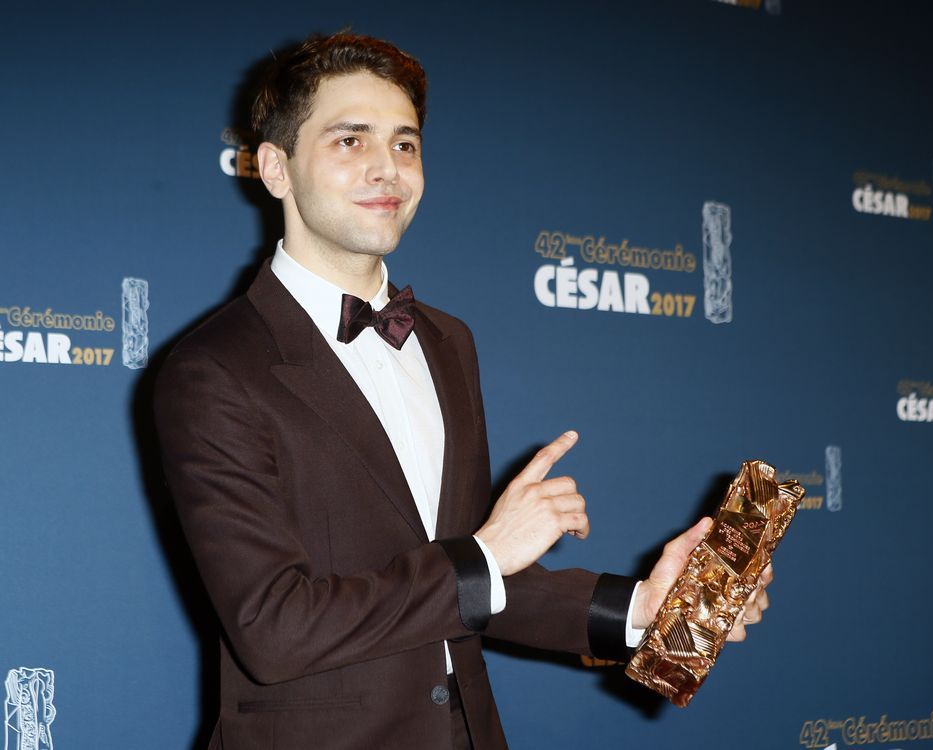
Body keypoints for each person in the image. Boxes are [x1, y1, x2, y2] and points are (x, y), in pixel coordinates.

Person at [154, 32, 771, 750]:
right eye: (350, 141)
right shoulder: (214, 369)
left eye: (405, 144)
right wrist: (484, 554)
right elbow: (274, 628)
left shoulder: (447, 343)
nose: (387, 167)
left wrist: (646, 608)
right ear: (275, 168)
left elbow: (482, 584)